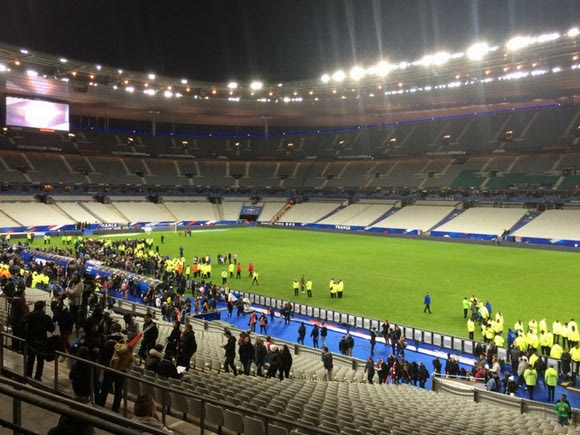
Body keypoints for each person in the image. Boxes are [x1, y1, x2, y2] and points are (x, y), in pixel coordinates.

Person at [96, 322, 129, 412]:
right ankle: (115, 408)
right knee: (118, 390)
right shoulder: (125, 343)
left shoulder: (108, 343)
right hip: (121, 369)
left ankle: (101, 403)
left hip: (110, 368)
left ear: (111, 330)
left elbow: (102, 357)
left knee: (105, 387)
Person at [25, 300, 55, 380]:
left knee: (30, 359)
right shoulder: (46, 317)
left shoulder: (30, 315)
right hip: (41, 341)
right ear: (43, 308)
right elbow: (52, 329)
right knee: (40, 361)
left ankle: (28, 375)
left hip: (31, 340)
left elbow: (23, 324)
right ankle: (38, 377)